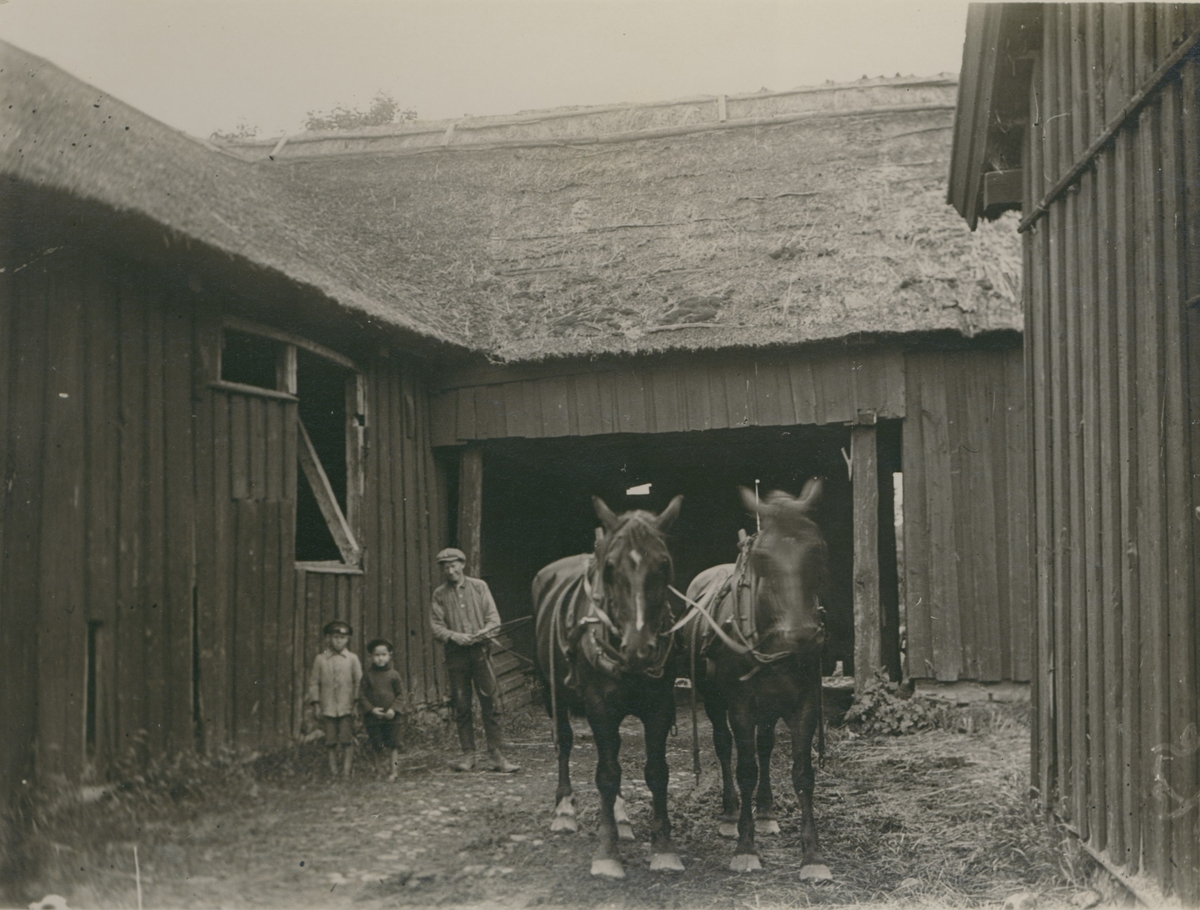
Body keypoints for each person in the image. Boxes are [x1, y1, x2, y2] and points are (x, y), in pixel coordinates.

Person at [430, 547, 520, 773]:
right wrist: (455, 636)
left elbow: (494, 619)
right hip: (456, 656)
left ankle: (496, 756)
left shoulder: (480, 587)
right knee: (462, 705)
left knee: (491, 703)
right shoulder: (439, 594)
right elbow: (436, 627)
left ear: (462, 565)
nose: (450, 571)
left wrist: (483, 633)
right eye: (446, 567)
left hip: (480, 653)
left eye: (453, 566)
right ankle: (468, 755)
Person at [307, 620, 362, 779]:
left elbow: (358, 682)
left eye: (342, 637)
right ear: (328, 638)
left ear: (348, 639)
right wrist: (316, 704)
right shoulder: (320, 659)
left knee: (346, 740)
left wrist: (356, 703)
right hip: (328, 707)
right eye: (335, 637)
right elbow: (314, 683)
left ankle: (346, 772)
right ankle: (333, 772)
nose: (338, 641)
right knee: (330, 740)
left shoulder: (352, 659)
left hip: (346, 707)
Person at [360, 638, 405, 780]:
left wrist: (393, 710)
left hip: (392, 717)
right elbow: (361, 695)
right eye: (377, 655)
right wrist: (371, 709)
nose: (380, 658)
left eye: (383, 655)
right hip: (374, 717)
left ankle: (394, 771)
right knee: (377, 745)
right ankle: (378, 771)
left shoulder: (394, 674)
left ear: (389, 655)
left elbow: (401, 694)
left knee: (394, 744)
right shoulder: (368, 675)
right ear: (371, 657)